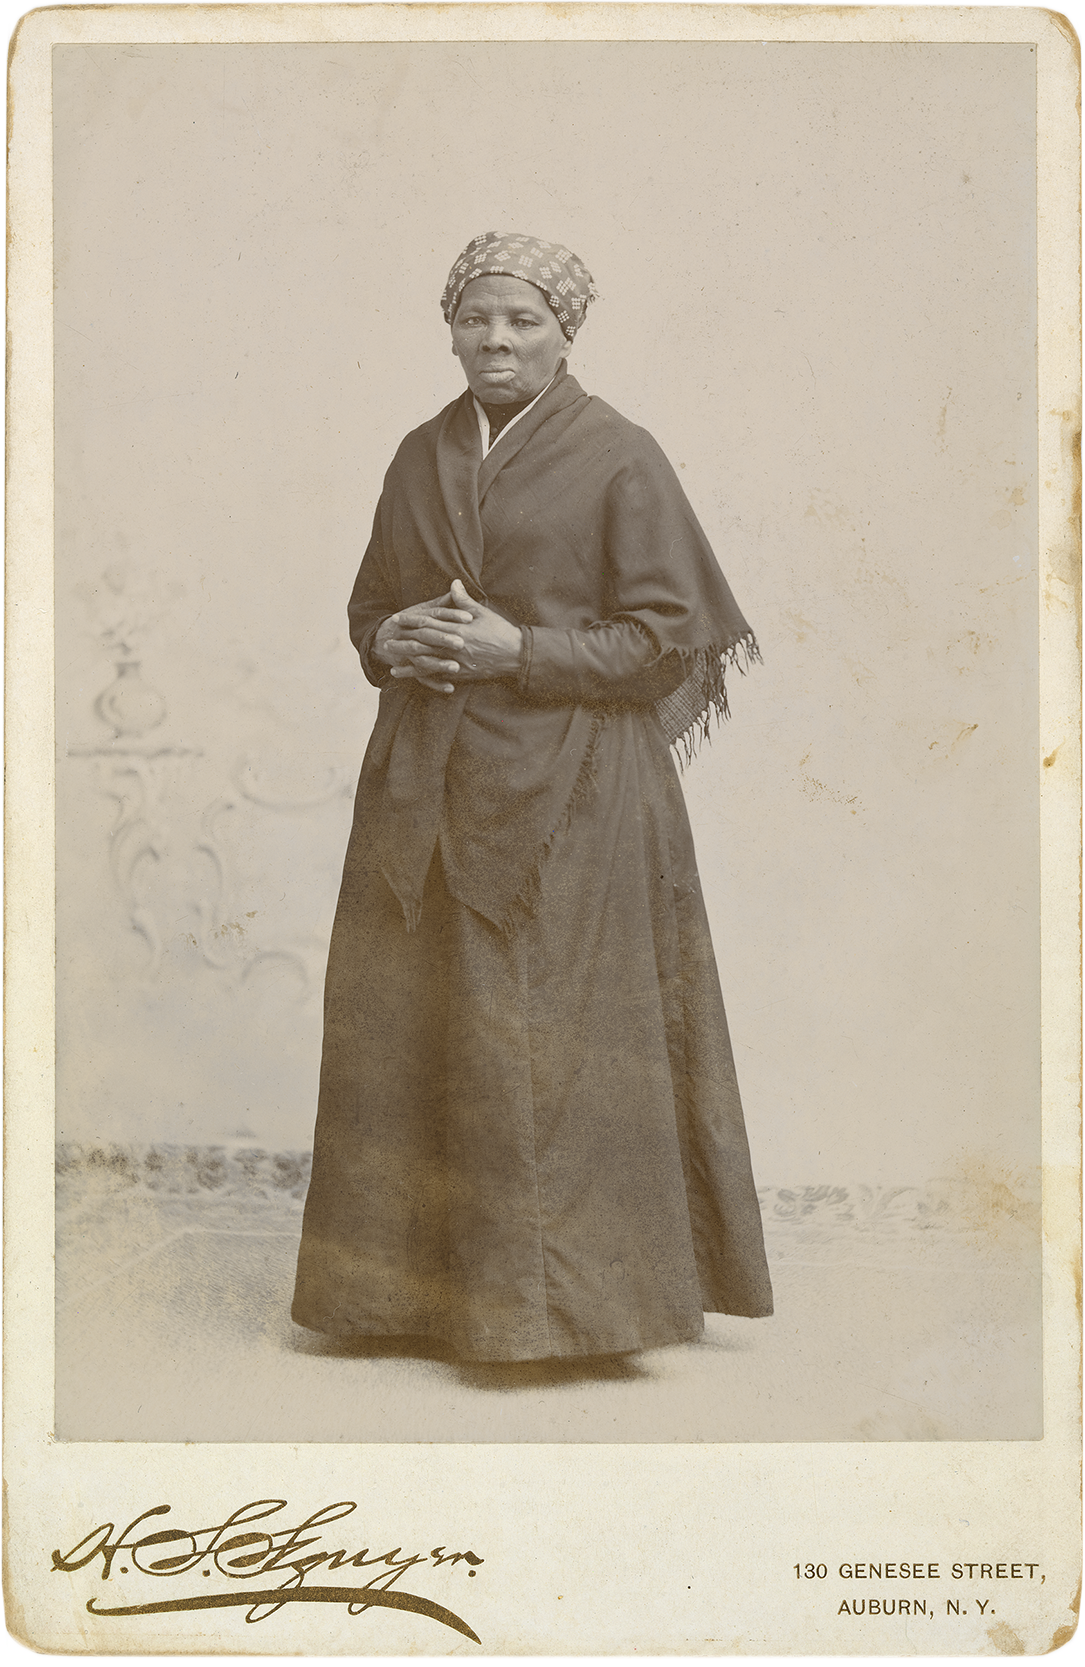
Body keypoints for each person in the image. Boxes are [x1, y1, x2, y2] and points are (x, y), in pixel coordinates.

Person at [291, 231, 773, 1364]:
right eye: (476, 318)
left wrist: (521, 651)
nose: (495, 339)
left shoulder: (619, 454)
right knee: (414, 1021)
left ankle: (575, 1310)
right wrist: (387, 636)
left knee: (552, 1035)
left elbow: (665, 642)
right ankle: (408, 1300)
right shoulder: (418, 452)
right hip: (423, 782)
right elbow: (371, 607)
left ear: (566, 333)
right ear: (449, 326)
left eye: (522, 321)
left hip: (575, 791)